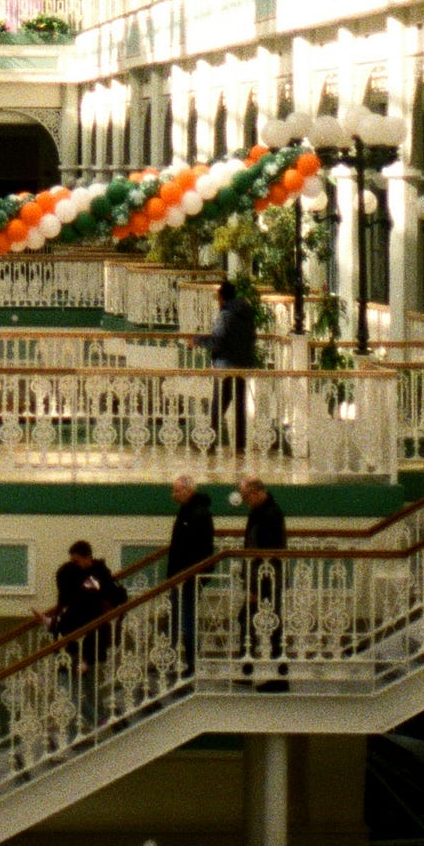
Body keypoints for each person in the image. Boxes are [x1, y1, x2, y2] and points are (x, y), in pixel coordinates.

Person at [49, 539, 127, 728]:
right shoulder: (68, 574)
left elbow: (114, 596)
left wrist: (95, 589)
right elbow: (67, 603)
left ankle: (100, 719)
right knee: (74, 689)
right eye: (72, 561)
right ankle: (100, 719)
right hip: (73, 639)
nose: (74, 564)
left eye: (76, 560)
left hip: (88, 638)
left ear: (88, 558)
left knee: (84, 688)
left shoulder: (98, 575)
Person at [240, 475, 288, 682]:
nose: (245, 501)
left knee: (262, 623)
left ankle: (260, 671)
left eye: (246, 496)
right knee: (267, 623)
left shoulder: (268, 515)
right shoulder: (264, 511)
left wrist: (254, 588)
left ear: (257, 492)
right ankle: (260, 669)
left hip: (266, 581)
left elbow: (264, 553)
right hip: (266, 579)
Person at [166, 475, 215, 673]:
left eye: (177, 490)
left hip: (189, 576)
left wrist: (185, 573)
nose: (174, 495)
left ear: (188, 490)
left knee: (187, 620)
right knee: (181, 619)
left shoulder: (197, 513)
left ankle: (192, 663)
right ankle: (181, 660)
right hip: (183, 575)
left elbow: (196, 548)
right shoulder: (189, 511)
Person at [203, 278, 257, 454]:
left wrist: (198, 341)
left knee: (219, 404)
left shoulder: (225, 315)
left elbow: (217, 341)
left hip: (226, 366)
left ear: (222, 297)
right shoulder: (247, 314)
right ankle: (240, 445)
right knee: (240, 405)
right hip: (243, 365)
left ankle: (209, 441)